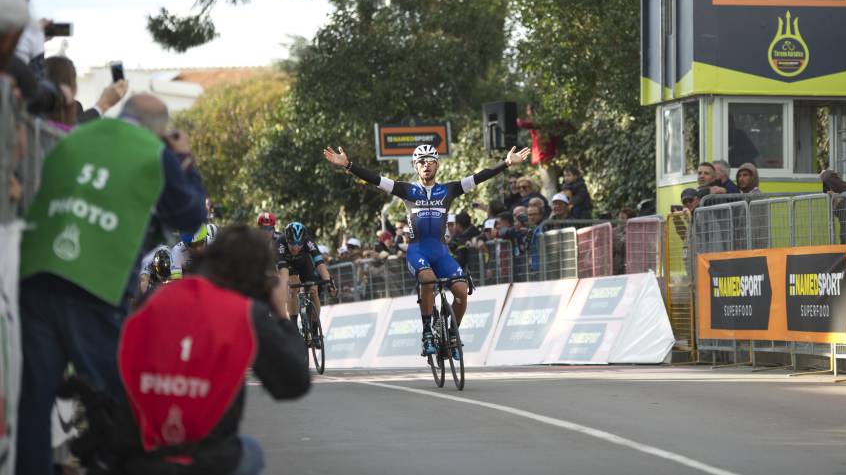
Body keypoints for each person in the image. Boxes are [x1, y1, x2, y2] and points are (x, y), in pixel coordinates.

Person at [17, 92, 206, 475]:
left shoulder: (76, 137)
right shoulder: (155, 153)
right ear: (161, 132)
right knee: (118, 400)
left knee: (33, 407)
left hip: (35, 275)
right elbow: (190, 218)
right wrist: (185, 161)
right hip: (95, 283)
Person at [68, 225, 310, 474]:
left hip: (139, 457)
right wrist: (280, 310)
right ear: (256, 279)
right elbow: (294, 382)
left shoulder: (153, 299)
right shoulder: (245, 313)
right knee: (252, 452)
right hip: (208, 461)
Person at [323, 142, 529, 356]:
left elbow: (479, 177)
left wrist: (505, 163)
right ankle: (427, 332)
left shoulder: (449, 189)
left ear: (437, 165)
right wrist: (348, 165)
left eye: (431, 161)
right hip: (418, 251)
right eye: (421, 162)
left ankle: (451, 332)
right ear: (415, 166)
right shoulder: (406, 190)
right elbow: (375, 179)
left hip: (440, 252)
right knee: (428, 280)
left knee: (461, 291)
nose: (426, 165)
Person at [276, 221, 335, 327]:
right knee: (292, 289)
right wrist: (285, 286)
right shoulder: (280, 243)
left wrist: (329, 282)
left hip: (304, 264)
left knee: (313, 291)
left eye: (299, 244)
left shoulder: (308, 242)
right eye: (292, 244)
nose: (296, 248)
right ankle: (294, 326)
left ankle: (315, 326)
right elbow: (283, 271)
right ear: (286, 239)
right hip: (288, 266)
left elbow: (320, 264)